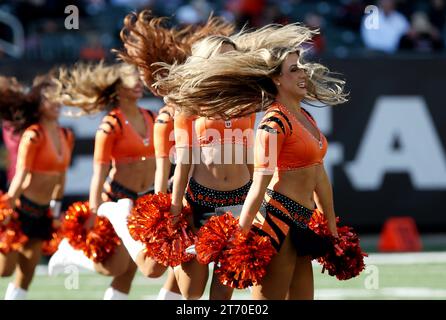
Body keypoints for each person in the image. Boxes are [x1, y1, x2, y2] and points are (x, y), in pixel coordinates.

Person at [156, 23, 348, 300]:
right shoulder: (190, 104)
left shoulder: (247, 100)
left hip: (239, 201)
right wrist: (175, 209)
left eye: (232, 57)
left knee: (223, 293)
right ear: (206, 60)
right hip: (199, 201)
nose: (228, 62)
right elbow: (184, 160)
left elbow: (253, 155)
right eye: (222, 55)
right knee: (191, 292)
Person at [48, 62, 155, 300]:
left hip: (144, 200)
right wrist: (94, 212)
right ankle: (70, 254)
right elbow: (99, 173)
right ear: (118, 89)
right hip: (117, 200)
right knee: (115, 266)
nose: (137, 83)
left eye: (138, 78)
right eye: (130, 79)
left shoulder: (150, 116)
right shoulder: (110, 125)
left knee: (130, 268)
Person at [0, 75, 74, 300]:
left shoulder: (65, 135)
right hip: (21, 209)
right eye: (50, 98)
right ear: (39, 104)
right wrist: (7, 210)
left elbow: (61, 176)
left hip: (43, 212)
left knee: (27, 272)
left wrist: (56, 209)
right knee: (5, 270)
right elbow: (21, 175)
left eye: (58, 97)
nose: (56, 102)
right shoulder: (33, 134)